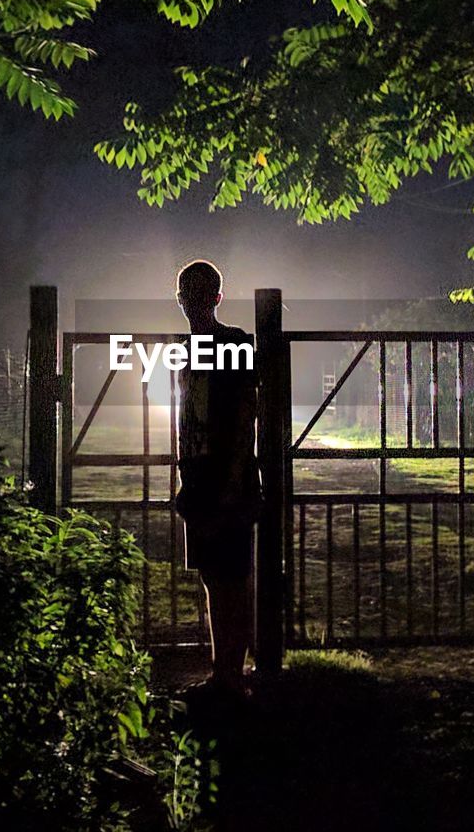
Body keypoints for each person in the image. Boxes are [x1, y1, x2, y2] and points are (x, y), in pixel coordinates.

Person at [173, 259, 261, 699]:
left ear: (215, 298)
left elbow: (246, 414)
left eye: (199, 295)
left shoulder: (232, 344)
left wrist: (233, 477)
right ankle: (224, 671)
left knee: (231, 576)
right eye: (189, 295)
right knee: (216, 575)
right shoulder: (193, 349)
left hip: (223, 474)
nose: (193, 303)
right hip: (204, 476)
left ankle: (230, 672)